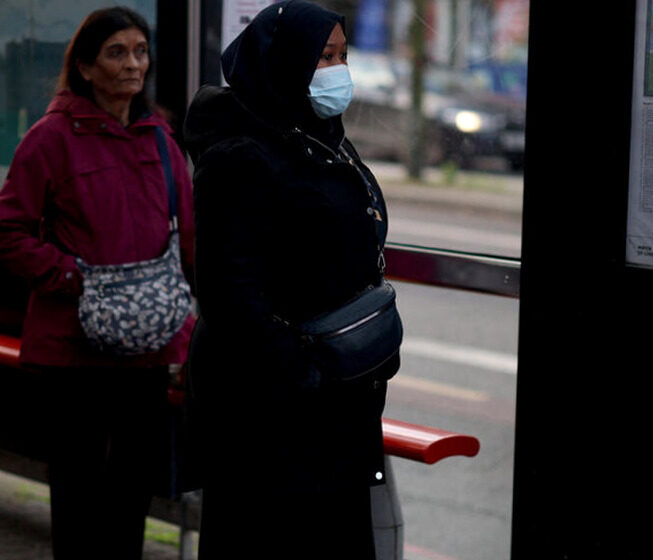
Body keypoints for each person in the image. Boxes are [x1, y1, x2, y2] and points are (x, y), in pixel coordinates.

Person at [183, 1, 397, 557]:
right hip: (269, 412)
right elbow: (229, 292)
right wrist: (304, 366)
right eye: (324, 56)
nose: (338, 70)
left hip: (337, 406)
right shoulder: (239, 153)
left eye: (343, 55)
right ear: (285, 61)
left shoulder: (322, 138)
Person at [0, 7, 195, 559]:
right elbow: (5, 233)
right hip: (73, 354)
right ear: (84, 66)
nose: (133, 65)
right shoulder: (50, 139)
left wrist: (189, 320)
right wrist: (73, 277)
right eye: (116, 53)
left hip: (147, 353)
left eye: (140, 52)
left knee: (131, 497)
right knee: (77, 500)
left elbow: (189, 241)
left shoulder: (161, 141)